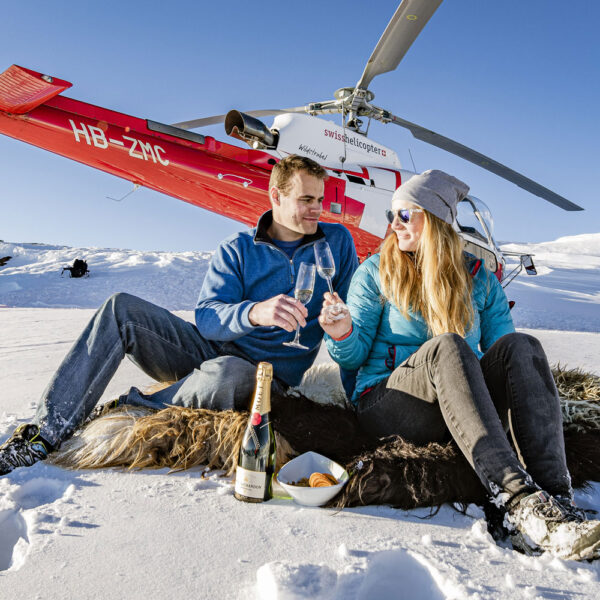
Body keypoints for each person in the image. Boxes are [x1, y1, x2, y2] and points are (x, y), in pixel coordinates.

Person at [0, 154, 358, 475]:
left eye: (320, 200)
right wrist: (254, 313)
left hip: (267, 377)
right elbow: (207, 318)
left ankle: (130, 407)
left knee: (228, 373)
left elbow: (354, 310)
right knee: (120, 308)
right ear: (276, 197)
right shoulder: (237, 249)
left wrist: (341, 323)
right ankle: (44, 433)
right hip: (209, 350)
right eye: (306, 200)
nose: (316, 210)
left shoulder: (337, 242)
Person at [319, 169, 600, 561]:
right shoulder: (376, 272)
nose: (393, 224)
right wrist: (342, 333)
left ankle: (555, 504)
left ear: (434, 220)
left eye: (405, 214)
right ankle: (516, 502)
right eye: (391, 214)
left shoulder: (478, 278)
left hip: (457, 406)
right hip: (389, 401)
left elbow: (507, 357)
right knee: (447, 346)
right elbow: (352, 357)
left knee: (524, 346)